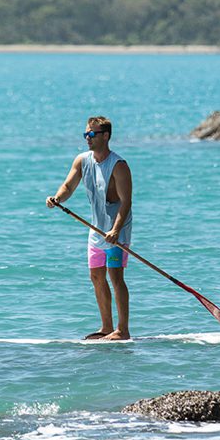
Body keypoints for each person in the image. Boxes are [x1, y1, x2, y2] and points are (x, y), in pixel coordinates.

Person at [46, 116, 133, 340]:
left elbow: (126, 202)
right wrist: (57, 198)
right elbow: (68, 186)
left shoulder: (119, 166)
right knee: (96, 276)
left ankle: (122, 330)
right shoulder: (82, 160)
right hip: (96, 230)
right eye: (86, 134)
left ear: (105, 136)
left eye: (92, 134)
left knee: (115, 277)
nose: (88, 138)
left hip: (117, 231)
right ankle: (106, 327)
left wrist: (115, 231)